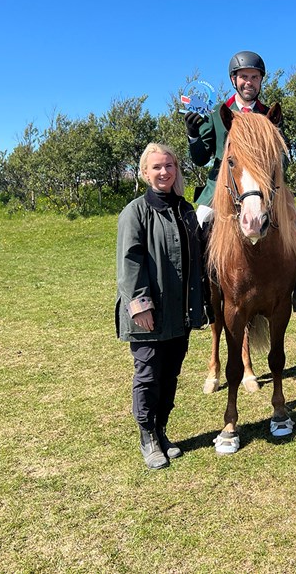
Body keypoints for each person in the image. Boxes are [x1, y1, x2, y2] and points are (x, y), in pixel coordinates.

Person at [184, 51, 296, 315]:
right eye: (244, 77)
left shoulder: (268, 114)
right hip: (221, 188)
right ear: (234, 80)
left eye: (254, 77)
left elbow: (280, 157)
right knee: (198, 226)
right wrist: (193, 136)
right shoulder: (218, 114)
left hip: (263, 189)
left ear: (260, 81)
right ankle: (202, 295)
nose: (249, 82)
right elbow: (201, 158)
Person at [116, 143, 207, 470]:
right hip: (148, 314)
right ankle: (148, 437)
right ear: (145, 173)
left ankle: (161, 430)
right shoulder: (136, 212)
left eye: (169, 166)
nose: (164, 172)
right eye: (156, 167)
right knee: (148, 374)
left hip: (179, 312)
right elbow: (129, 263)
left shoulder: (185, 210)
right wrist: (140, 305)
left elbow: (198, 258)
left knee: (170, 374)